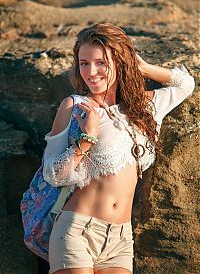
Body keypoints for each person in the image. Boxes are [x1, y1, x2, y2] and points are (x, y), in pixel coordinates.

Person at [42, 23, 195, 274]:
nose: (91, 72)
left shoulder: (146, 106)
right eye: (84, 63)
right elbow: (52, 174)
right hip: (77, 229)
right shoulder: (75, 106)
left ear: (120, 61)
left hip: (122, 239)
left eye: (101, 62)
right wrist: (86, 139)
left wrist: (142, 67)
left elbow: (185, 84)